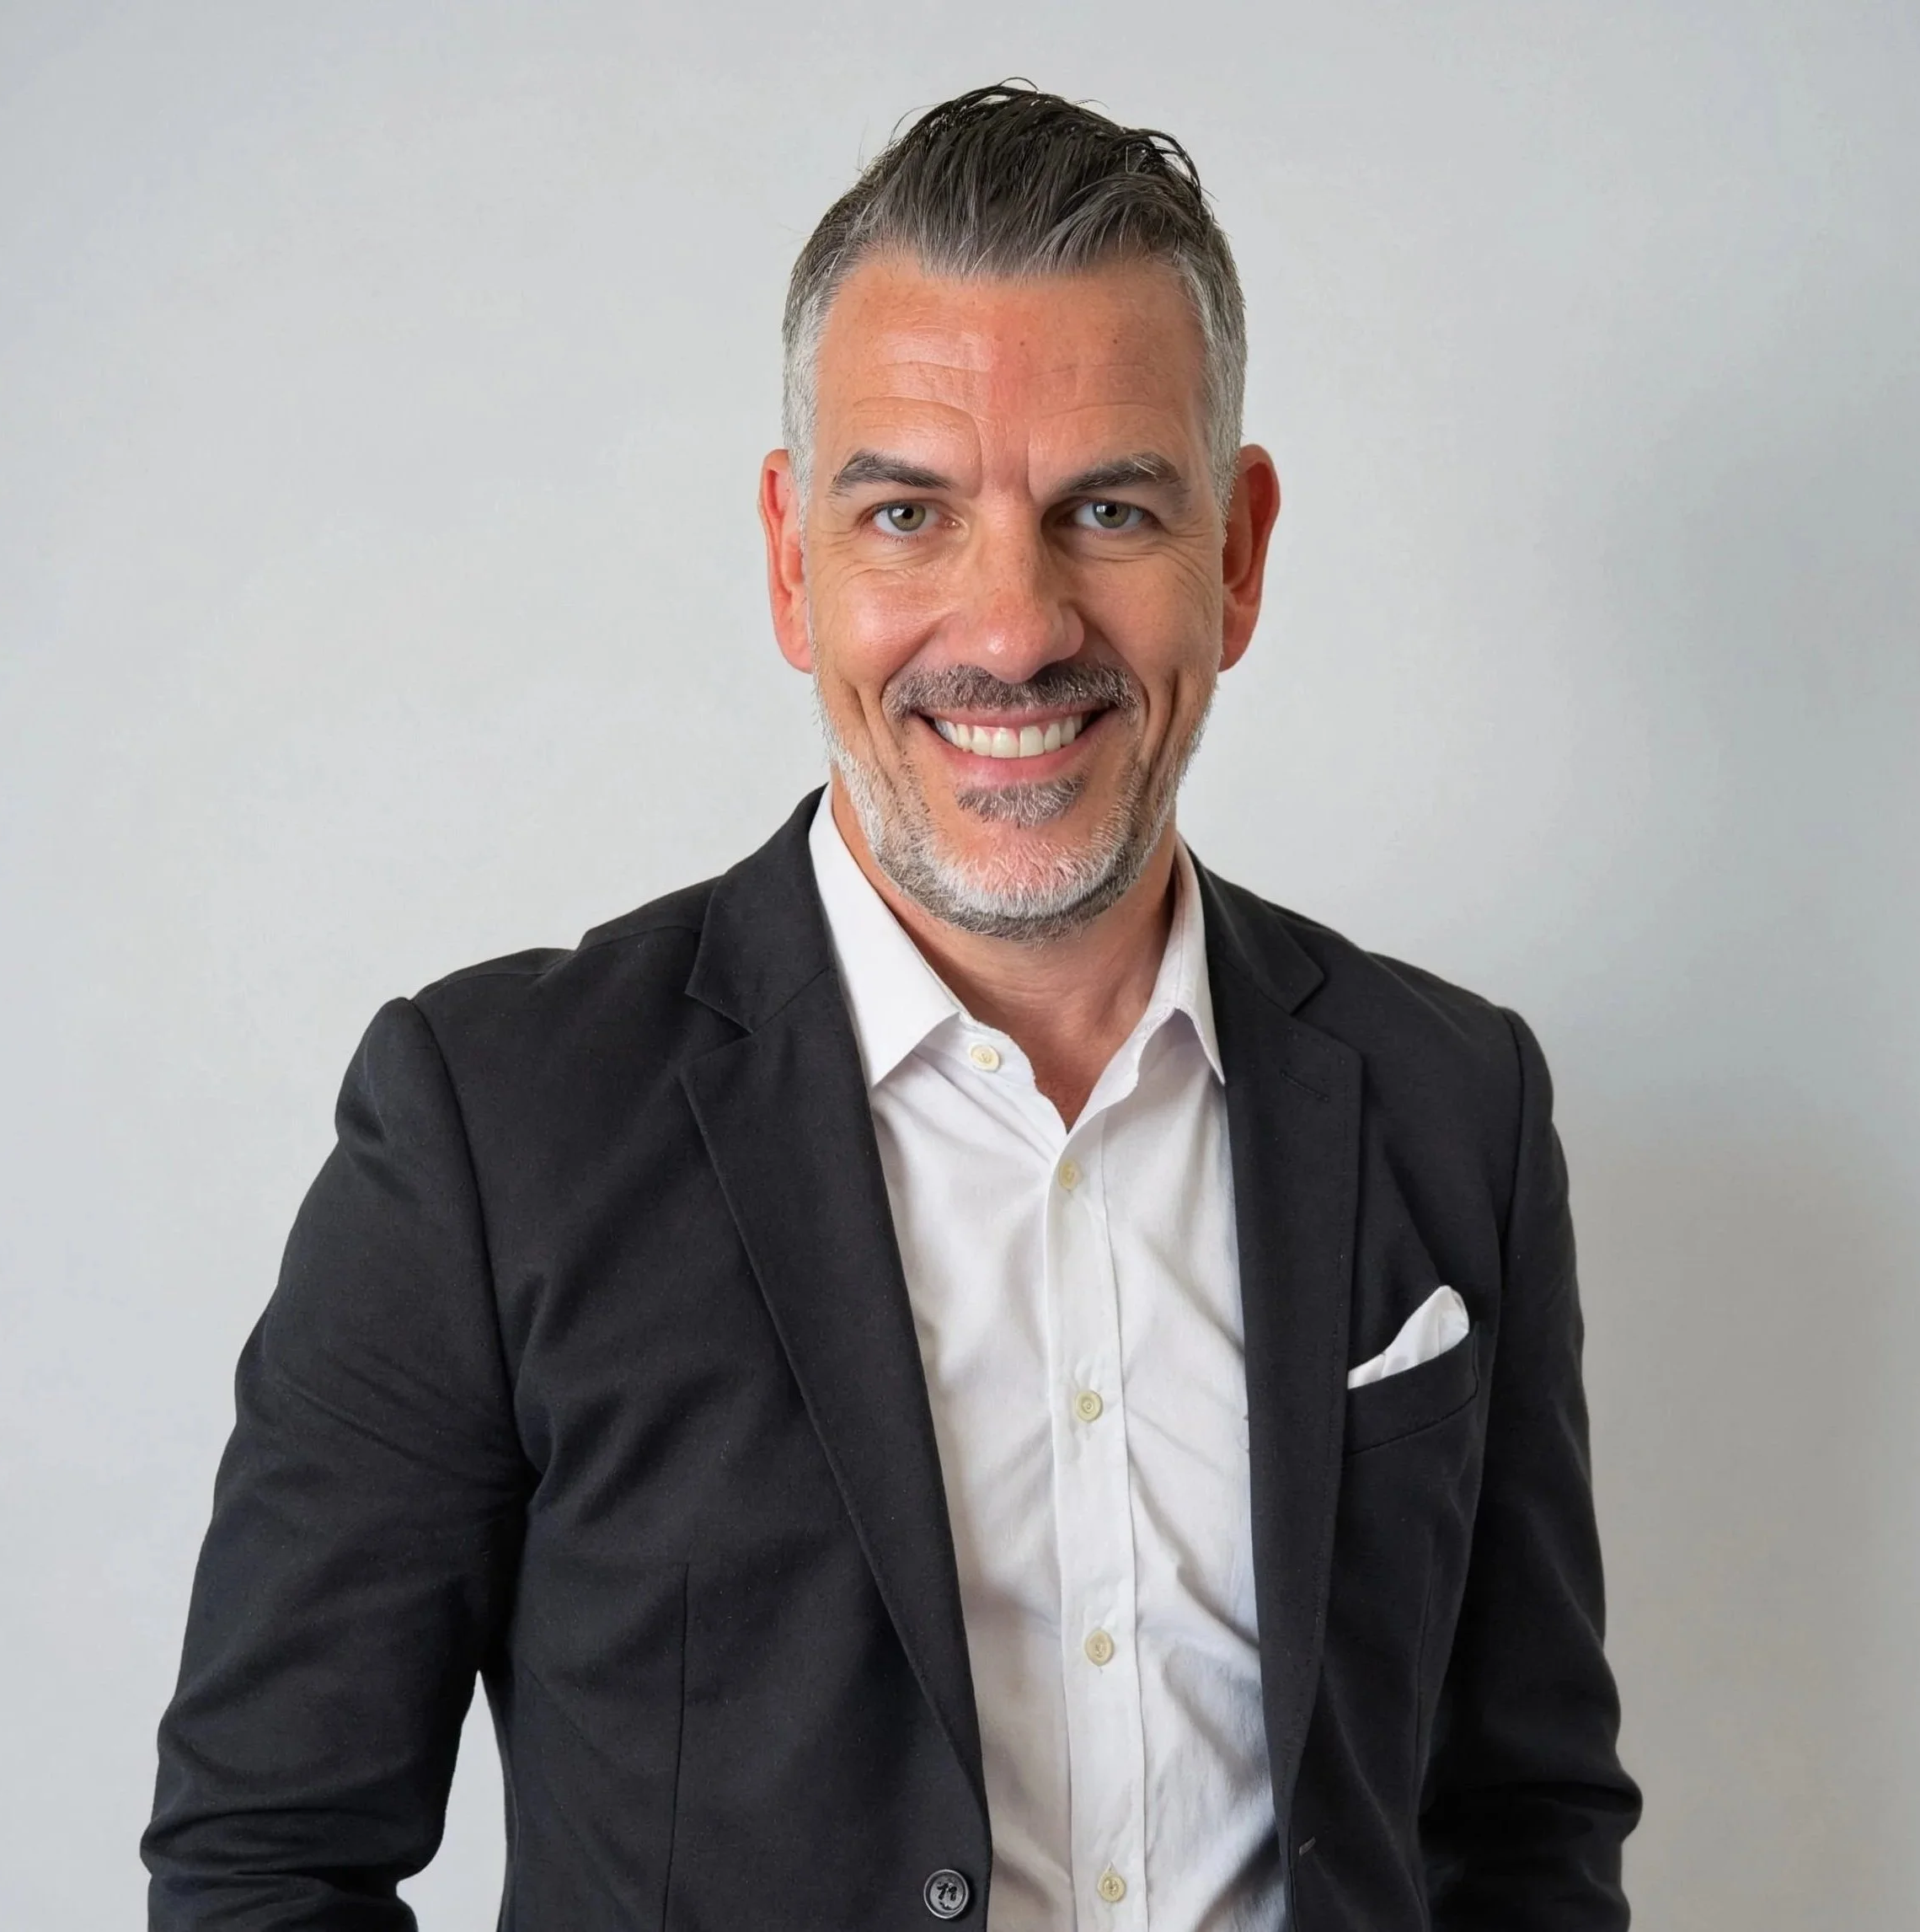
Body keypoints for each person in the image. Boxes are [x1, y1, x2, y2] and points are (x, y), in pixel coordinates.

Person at [144, 82, 1639, 1932]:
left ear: (1236, 557)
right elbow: (265, 1864)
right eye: (910, 512)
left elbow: (1528, 1826)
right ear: (793, 557)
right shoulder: (490, 1126)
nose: (1012, 628)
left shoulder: (1452, 1102)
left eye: (1108, 507)